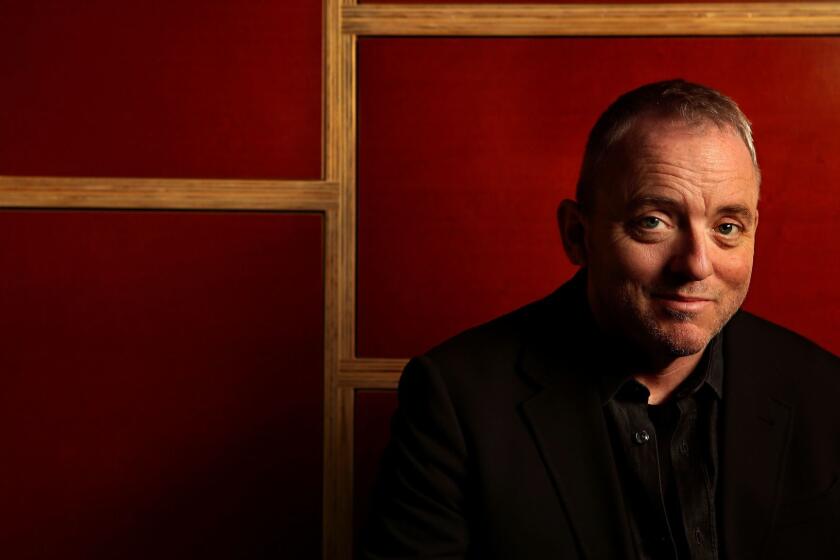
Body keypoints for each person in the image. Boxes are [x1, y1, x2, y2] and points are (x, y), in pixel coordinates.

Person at [361, 80, 840, 559]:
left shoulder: (823, 393)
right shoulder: (456, 402)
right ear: (577, 235)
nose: (696, 263)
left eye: (727, 227)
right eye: (653, 221)